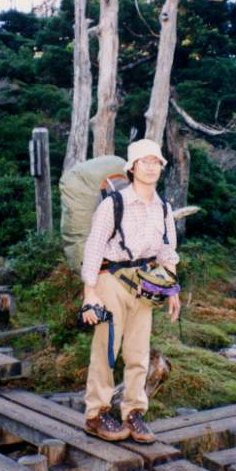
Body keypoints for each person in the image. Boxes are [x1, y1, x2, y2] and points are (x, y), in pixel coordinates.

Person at [79, 139, 181, 443]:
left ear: (161, 168)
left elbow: (167, 252)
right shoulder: (114, 204)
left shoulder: (163, 208)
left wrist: (172, 289)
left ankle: (133, 412)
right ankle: (96, 414)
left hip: (145, 285)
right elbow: (93, 249)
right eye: (144, 161)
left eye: (156, 162)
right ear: (132, 168)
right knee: (106, 350)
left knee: (138, 352)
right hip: (111, 282)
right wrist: (89, 295)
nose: (150, 167)